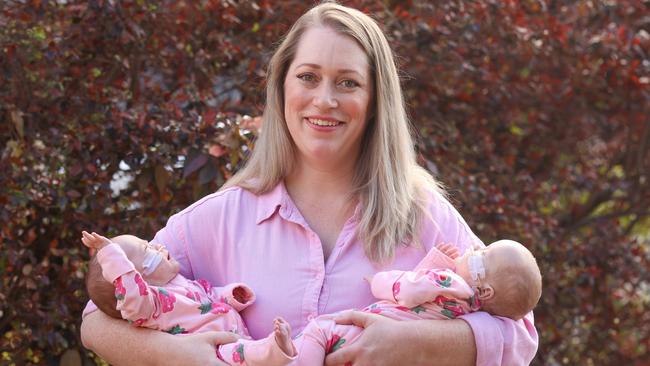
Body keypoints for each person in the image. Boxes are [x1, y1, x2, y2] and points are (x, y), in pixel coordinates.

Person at [80, 2, 539, 365]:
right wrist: (174, 356)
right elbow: (95, 321)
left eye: (347, 83)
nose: (325, 99)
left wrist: (416, 344)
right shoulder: (216, 221)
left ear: (375, 100)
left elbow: (519, 334)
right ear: (282, 87)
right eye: (308, 77)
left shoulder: (423, 216)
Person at [280, 240, 542, 365]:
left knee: (319, 330)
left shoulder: (448, 282)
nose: (470, 249)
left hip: (359, 334)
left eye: (478, 257)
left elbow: (408, 288)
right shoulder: (469, 308)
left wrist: (377, 282)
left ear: (485, 291)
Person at [81, 231, 296, 365]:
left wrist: (230, 295)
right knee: (250, 353)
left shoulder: (181, 283)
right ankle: (277, 348)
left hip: (236, 338)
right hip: (216, 353)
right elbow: (128, 286)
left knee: (250, 351)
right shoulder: (150, 304)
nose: (157, 245)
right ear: (138, 278)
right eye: (147, 248)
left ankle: (279, 350)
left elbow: (208, 299)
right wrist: (111, 254)